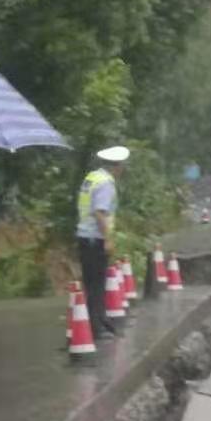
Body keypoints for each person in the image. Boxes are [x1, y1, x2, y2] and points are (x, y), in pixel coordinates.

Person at [76, 145, 128, 338]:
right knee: (96, 285)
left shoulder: (92, 177)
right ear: (117, 166)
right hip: (95, 238)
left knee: (93, 283)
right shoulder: (106, 183)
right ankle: (96, 327)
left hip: (84, 236)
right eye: (123, 165)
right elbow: (100, 212)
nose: (123, 169)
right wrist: (108, 239)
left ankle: (101, 320)